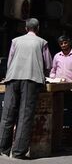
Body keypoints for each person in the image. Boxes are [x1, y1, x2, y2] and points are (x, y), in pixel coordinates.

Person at [0, 18, 52, 159]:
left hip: (12, 78)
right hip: (31, 78)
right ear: (38, 28)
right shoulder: (42, 42)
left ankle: (2, 149)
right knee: (25, 115)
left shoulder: (15, 41)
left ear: (25, 28)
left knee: (8, 114)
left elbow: (10, 61)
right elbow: (48, 65)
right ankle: (18, 152)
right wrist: (45, 75)